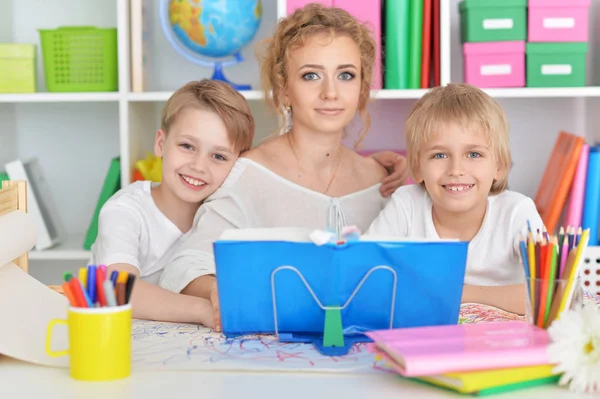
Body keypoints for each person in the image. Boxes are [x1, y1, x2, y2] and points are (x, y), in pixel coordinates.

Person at [158, 4, 408, 330]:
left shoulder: (383, 182)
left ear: (361, 88)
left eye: (346, 75)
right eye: (311, 76)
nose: (330, 92)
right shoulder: (249, 173)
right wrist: (217, 289)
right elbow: (186, 267)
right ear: (285, 89)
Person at [366, 83, 545, 315]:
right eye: (439, 155)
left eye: (474, 154)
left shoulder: (517, 212)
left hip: (502, 343)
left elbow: (553, 294)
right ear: (417, 167)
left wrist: (459, 293)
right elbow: (366, 278)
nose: (456, 169)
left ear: (499, 166)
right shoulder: (406, 205)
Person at [92, 79, 254, 325]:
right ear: (160, 144)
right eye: (187, 146)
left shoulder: (228, 215)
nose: (199, 166)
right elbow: (119, 290)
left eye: (219, 156)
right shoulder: (125, 211)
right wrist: (203, 310)